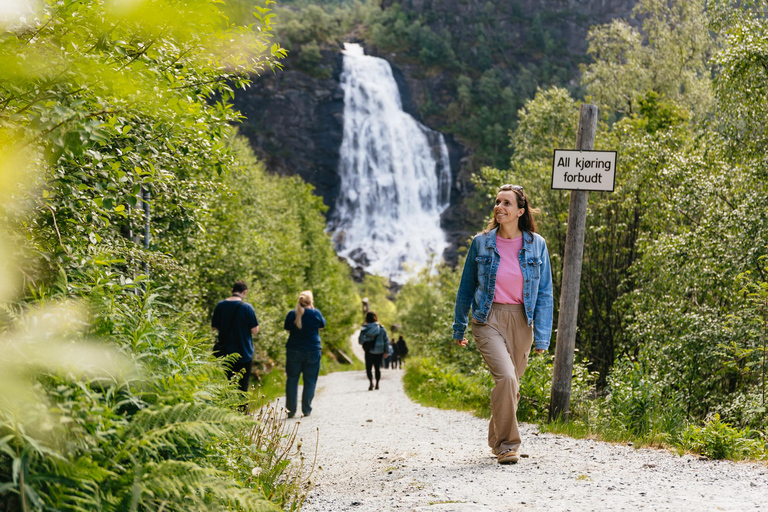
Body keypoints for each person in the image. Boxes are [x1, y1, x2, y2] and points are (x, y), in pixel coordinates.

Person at [452, 184, 553, 465]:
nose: (500, 207)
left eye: (507, 203)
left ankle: (497, 439)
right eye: (497, 202)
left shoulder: (537, 244)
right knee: (507, 378)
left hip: (522, 319)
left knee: (512, 386)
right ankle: (509, 445)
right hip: (488, 318)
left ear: (520, 211)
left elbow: (545, 292)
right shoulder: (481, 243)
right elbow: (465, 287)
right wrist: (459, 327)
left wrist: (542, 336)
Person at [211, 281, 260, 395]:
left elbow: (214, 327)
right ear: (244, 292)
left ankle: (227, 410)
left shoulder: (220, 305)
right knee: (242, 387)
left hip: (225, 353)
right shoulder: (247, 308)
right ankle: (240, 411)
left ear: (232, 291)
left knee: (227, 385)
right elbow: (255, 331)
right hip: (244, 353)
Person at [284, 290, 326, 418]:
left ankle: (291, 410)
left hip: (294, 350)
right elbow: (322, 326)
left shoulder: (292, 314)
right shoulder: (315, 313)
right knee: (310, 380)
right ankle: (306, 409)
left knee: (292, 380)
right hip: (312, 350)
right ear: (311, 301)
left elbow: (287, 328)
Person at [359, 311, 389, 390]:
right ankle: (377, 384)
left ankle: (371, 383)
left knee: (369, 368)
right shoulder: (382, 328)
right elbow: (386, 340)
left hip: (369, 351)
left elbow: (360, 341)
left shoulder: (365, 329)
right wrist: (386, 351)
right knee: (377, 368)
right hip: (379, 351)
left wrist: (367, 339)